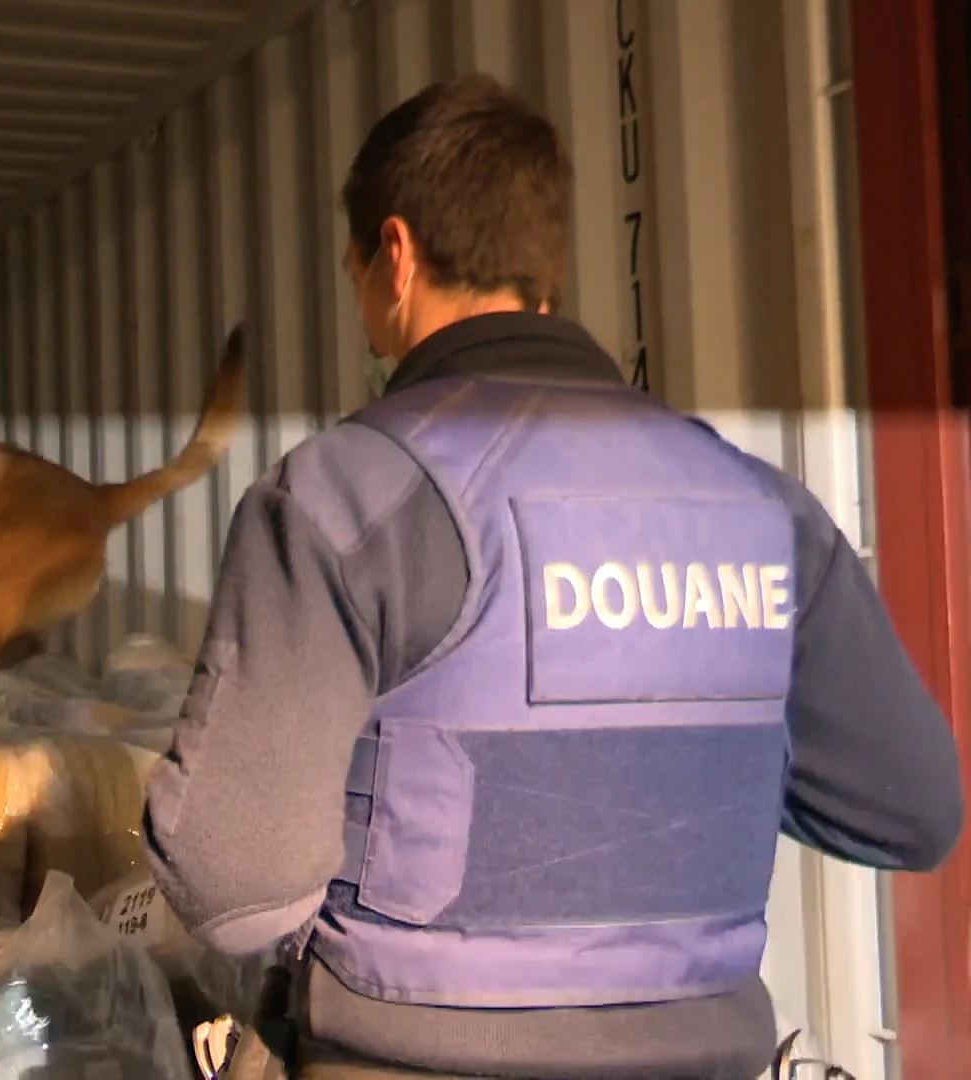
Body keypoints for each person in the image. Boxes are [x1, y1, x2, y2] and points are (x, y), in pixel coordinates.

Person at [142, 72, 964, 1080]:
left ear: (395, 259)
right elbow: (912, 810)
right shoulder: (760, 506)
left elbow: (231, 885)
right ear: (544, 270)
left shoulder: (345, 495)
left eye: (357, 271)